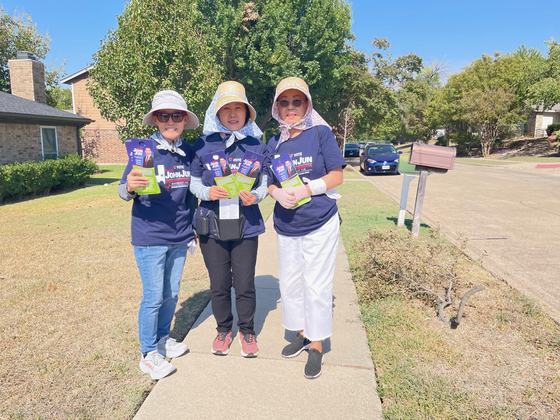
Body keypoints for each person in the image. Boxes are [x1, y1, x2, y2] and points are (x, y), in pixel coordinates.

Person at [264, 77, 345, 379]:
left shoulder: (320, 134)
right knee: (290, 285)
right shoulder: (274, 143)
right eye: (284, 102)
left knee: (316, 286)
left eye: (297, 101)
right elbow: (269, 181)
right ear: (276, 107)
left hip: (319, 223)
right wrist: (276, 193)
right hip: (286, 225)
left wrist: (307, 190)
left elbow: (337, 176)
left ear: (307, 105)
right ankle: (300, 333)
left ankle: (317, 345)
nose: (290, 107)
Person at [118, 90, 199, 380]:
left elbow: (191, 195)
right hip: (150, 237)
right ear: (155, 119)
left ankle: (163, 339)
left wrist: (193, 229)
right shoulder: (143, 151)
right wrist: (129, 185)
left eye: (176, 115)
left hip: (179, 235)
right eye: (163, 115)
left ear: (184, 120)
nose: (170, 121)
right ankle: (149, 353)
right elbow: (122, 191)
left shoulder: (188, 152)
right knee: (153, 296)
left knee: (172, 294)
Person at [190, 81, 268, 358]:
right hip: (212, 224)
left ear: (248, 113)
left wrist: (256, 196)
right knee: (219, 283)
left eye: (239, 108)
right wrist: (207, 190)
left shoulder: (257, 144)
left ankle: (247, 330)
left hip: (246, 224)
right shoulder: (203, 143)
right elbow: (193, 182)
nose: (233, 113)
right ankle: (224, 329)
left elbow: (265, 182)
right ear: (216, 112)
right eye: (226, 109)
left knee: (245, 283)